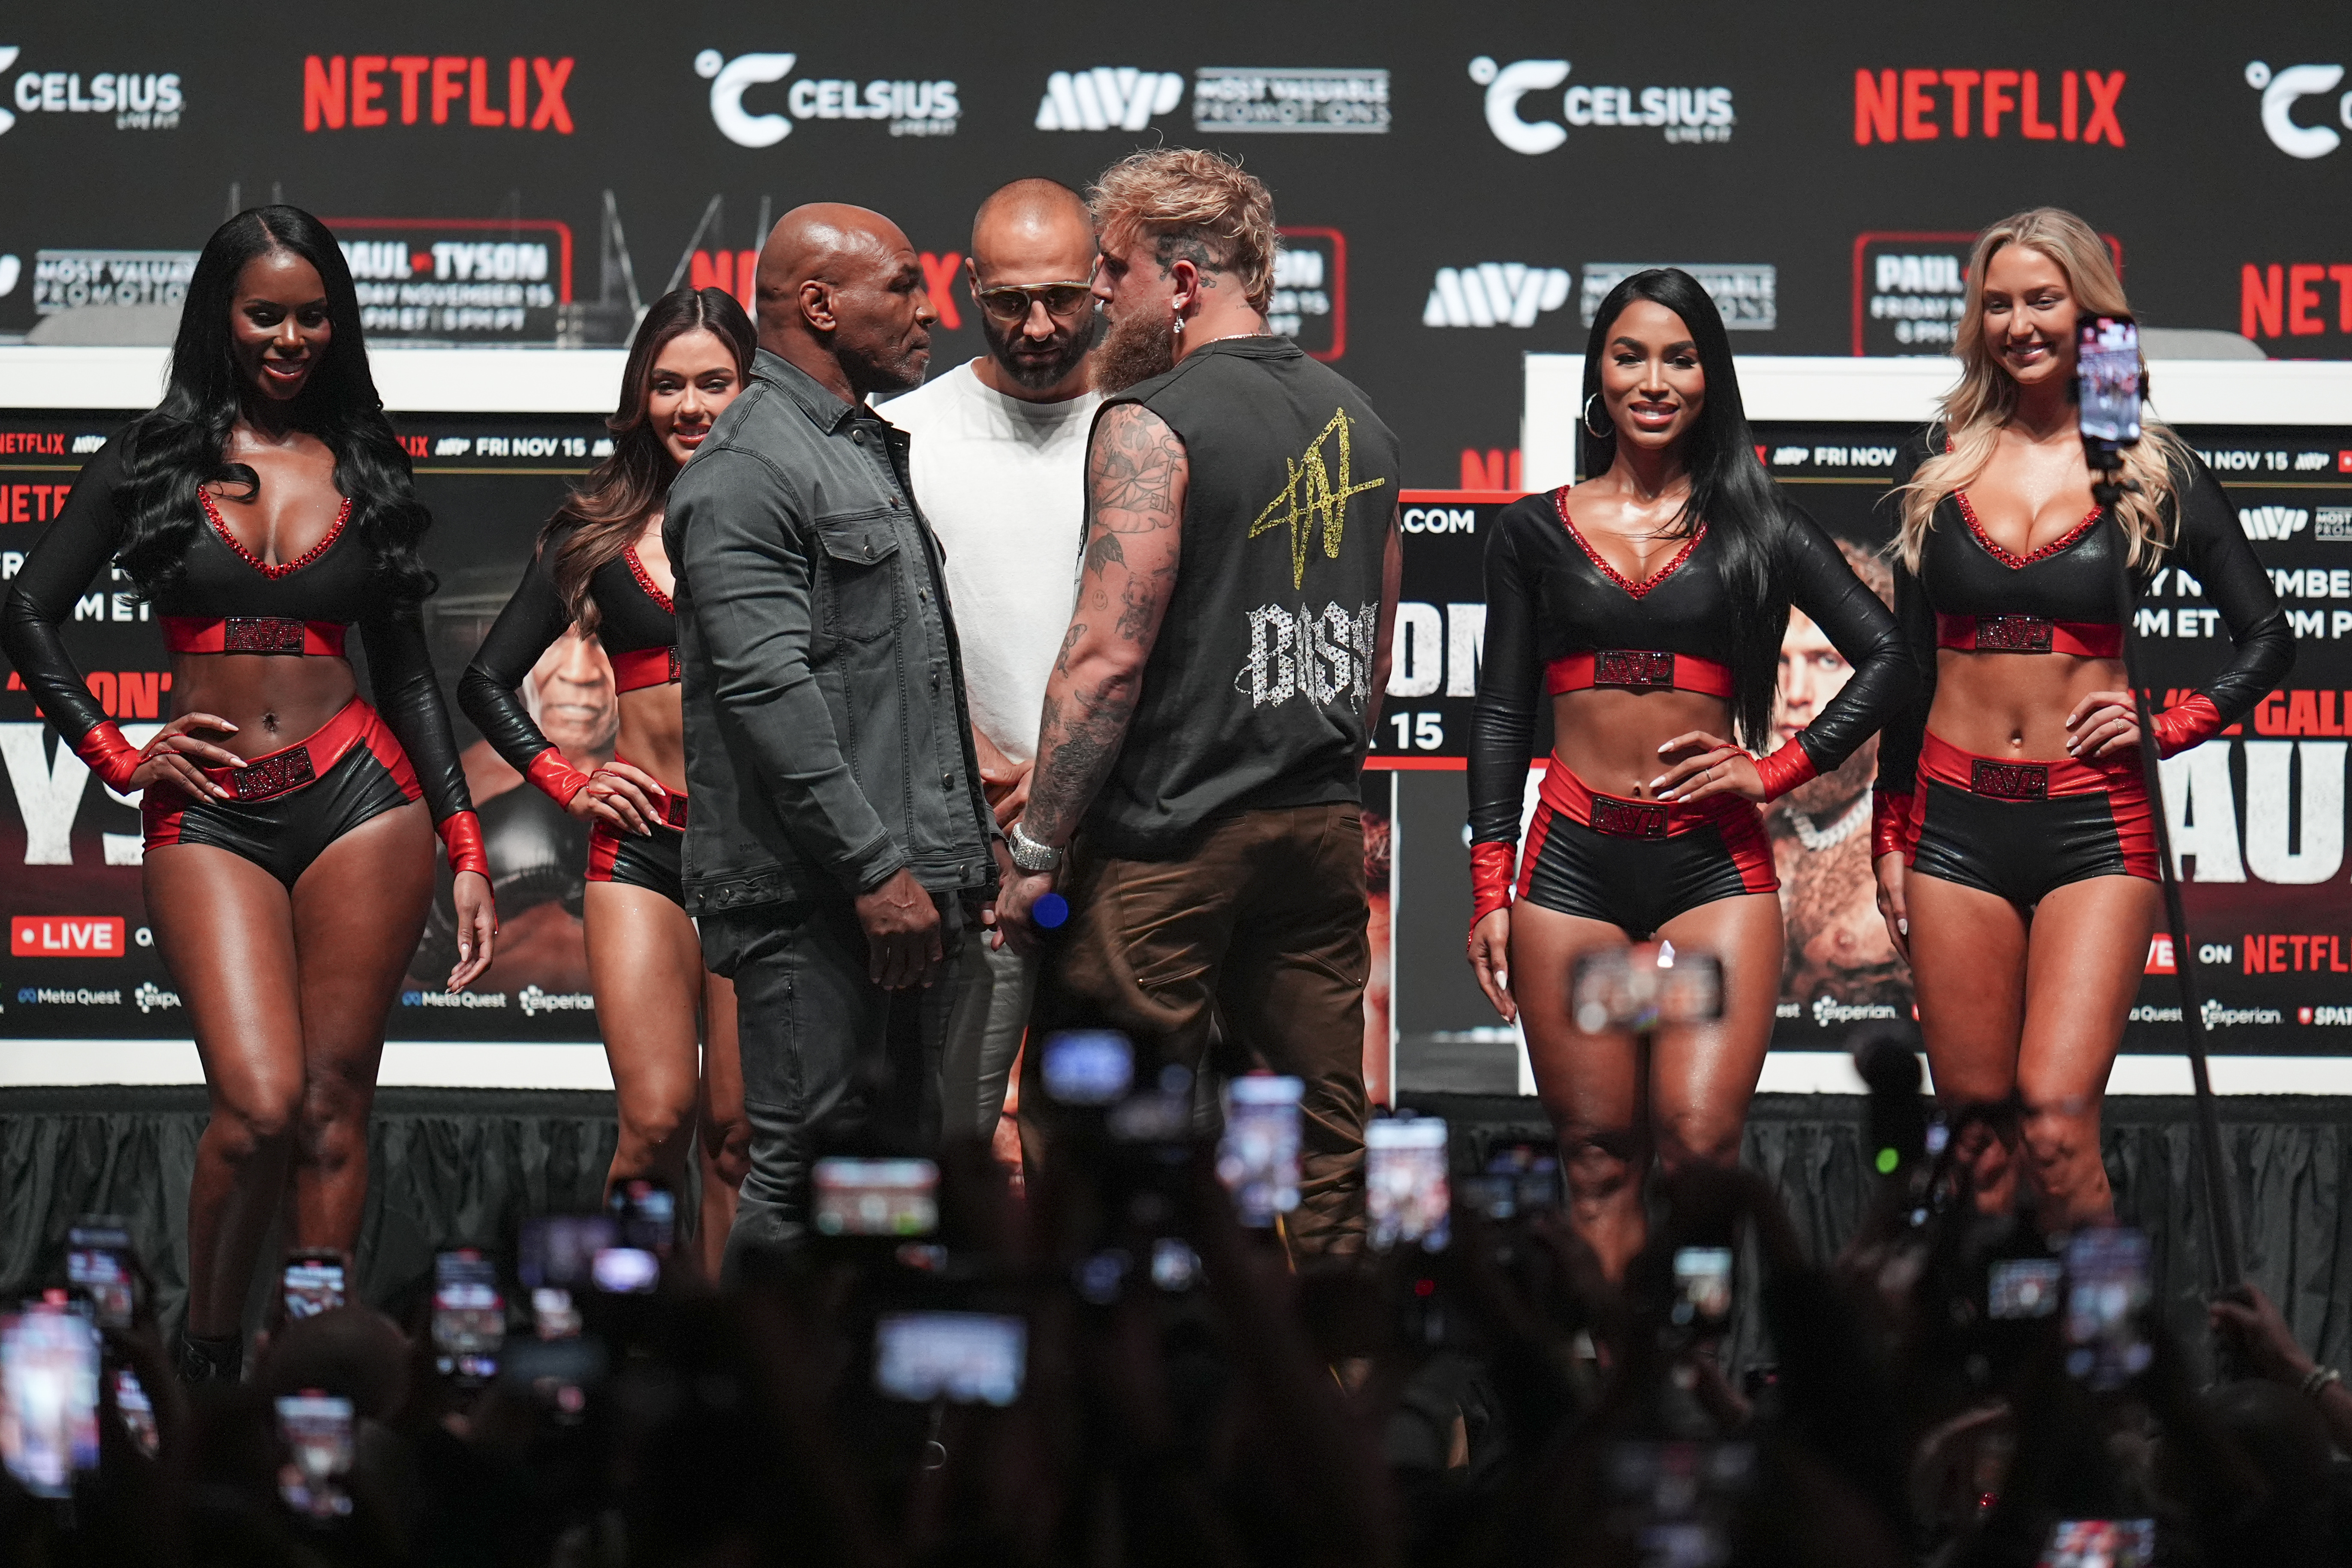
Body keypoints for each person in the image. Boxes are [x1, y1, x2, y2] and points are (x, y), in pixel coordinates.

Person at [0, 207, 495, 1380]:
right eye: (265, 313)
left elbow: (412, 676)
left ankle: (312, 1375)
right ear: (222, 316)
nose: (290, 337)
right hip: (208, 806)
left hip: (362, 795)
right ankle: (211, 1356)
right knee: (262, 1106)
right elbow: (25, 610)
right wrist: (118, 755)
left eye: (312, 314)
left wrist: (466, 843)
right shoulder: (152, 456)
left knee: (333, 1114)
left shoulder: (369, 459)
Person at [996, 148, 1405, 1256]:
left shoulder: (1147, 422)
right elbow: (1369, 659)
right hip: (1318, 833)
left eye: (1112, 270)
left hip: (1168, 844)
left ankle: (1110, 1414)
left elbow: (1103, 660)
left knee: (1102, 1147)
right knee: (1326, 1155)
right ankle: (1341, 1410)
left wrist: (1036, 843)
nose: (1095, 297)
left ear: (1180, 284)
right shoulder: (1362, 423)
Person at [1463, 268, 1910, 1279]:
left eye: (1678, 357)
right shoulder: (1532, 532)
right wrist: (1491, 886)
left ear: (1710, 379)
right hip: (1573, 873)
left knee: (1699, 1154)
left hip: (1709, 881)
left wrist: (1778, 768)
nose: (1652, 379)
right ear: (1599, 375)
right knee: (1594, 1158)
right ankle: (1615, 1396)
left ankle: (1693, 1388)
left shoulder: (1760, 528)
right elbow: (1498, 713)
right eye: (1629, 356)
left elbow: (1890, 657)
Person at [1871, 208, 2292, 1227]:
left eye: (2043, 299)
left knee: (2057, 1138)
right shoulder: (1941, 454)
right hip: (1952, 828)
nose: (2018, 322)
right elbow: (1910, 667)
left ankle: (2107, 1376)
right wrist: (1889, 827)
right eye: (1997, 301)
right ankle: (2008, 1384)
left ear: (2090, 313)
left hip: (2092, 827)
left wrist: (2170, 723)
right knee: (1977, 1153)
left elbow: (2267, 638)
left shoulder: (2144, 464)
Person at [664, 206, 1002, 1266]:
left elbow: (892, 681)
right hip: (815, 893)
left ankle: (861, 1418)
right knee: (802, 1169)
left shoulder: (848, 450)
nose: (927, 309)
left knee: (884, 1180)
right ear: (818, 304)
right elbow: (768, 693)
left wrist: (953, 860)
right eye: (903, 286)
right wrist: (876, 870)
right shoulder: (748, 468)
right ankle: (759, 1426)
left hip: (897, 884)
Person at [460, 286, 756, 1274]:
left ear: (752, 389)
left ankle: (726, 1368)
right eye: (667, 384)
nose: (689, 406)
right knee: (655, 1119)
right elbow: (486, 680)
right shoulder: (594, 529)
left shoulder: (795, 518)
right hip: (639, 850)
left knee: (736, 1130)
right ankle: (620, 1354)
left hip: (761, 851)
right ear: (639, 397)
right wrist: (563, 778)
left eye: (713, 382)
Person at [879, 178, 1102, 1158]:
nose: (1040, 323)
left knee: (1112, 1150)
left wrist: (1071, 781)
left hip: (1121, 832)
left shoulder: (1151, 423)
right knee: (956, 1141)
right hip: (967, 841)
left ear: (1102, 280)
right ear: (966, 285)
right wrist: (962, 762)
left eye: (1061, 295)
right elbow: (878, 633)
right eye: (1010, 300)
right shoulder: (905, 434)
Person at [1768, 537, 1908, 1011]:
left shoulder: (1923, 833)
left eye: (1826, 661)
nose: (1795, 693)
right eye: (1777, 662)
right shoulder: (1727, 822)